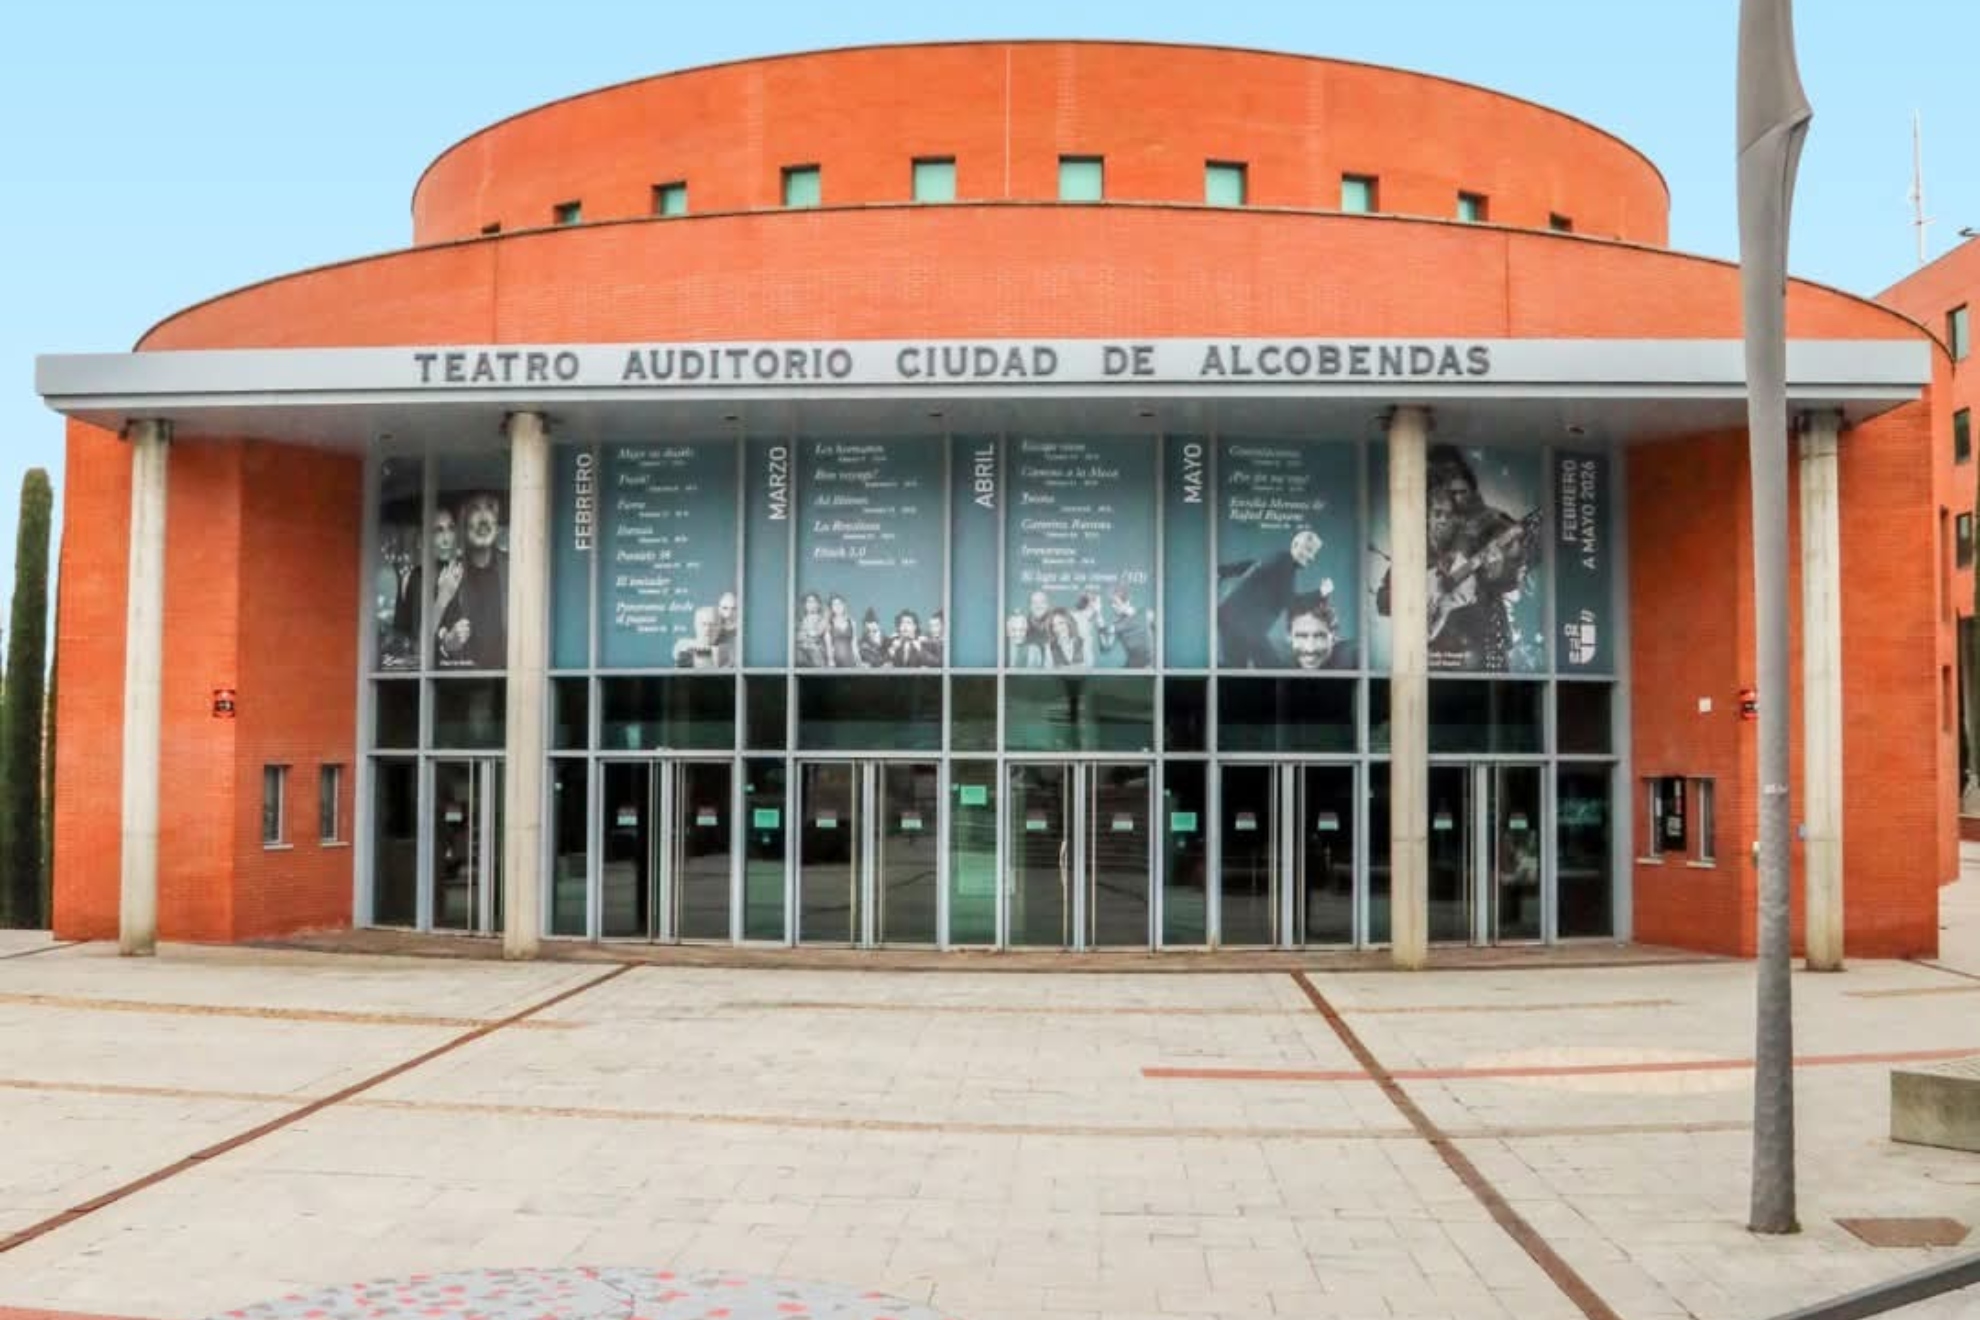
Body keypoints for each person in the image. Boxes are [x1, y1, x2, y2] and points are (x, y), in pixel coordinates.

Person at [1377, 445, 1536, 672]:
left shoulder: (1491, 522)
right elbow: (1383, 600)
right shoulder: (1418, 538)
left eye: (1460, 489)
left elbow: (1514, 570)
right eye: (1444, 487)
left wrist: (1498, 569)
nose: (1456, 498)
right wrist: (1414, 595)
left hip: (1482, 639)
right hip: (1432, 650)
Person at [1216, 528, 1324, 668]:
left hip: (1236, 622)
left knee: (1236, 671)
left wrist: (1224, 571)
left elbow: (1253, 565)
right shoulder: (1285, 564)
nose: (1312, 557)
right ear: (1295, 544)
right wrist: (1321, 593)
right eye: (1309, 550)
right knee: (1271, 669)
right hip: (1243, 626)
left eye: (1314, 553)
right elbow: (1292, 604)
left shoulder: (1279, 558)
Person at [436, 492, 507, 668]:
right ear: (463, 518)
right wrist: (447, 644)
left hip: (507, 687)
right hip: (460, 690)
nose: (484, 518)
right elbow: (424, 642)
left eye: (490, 507)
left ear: (497, 521)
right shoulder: (447, 574)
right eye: (475, 508)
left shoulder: (516, 570)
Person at [1286, 597, 1350, 670]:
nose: (1310, 649)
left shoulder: (1353, 657)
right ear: (1289, 637)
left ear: (1334, 637)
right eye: (1301, 636)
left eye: (1319, 636)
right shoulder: (1278, 659)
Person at [794, 592, 829, 668]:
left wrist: (805, 635)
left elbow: (815, 634)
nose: (811, 604)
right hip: (802, 655)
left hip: (816, 655)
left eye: (813, 601)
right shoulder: (802, 620)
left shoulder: (822, 619)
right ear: (805, 605)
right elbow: (797, 637)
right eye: (808, 601)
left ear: (818, 604)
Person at [824, 594, 859, 668]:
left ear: (844, 605)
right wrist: (830, 660)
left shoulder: (852, 622)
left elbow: (854, 644)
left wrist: (858, 660)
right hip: (836, 662)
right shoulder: (829, 623)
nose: (837, 606)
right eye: (834, 604)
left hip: (850, 660)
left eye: (839, 603)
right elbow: (828, 645)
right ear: (831, 608)